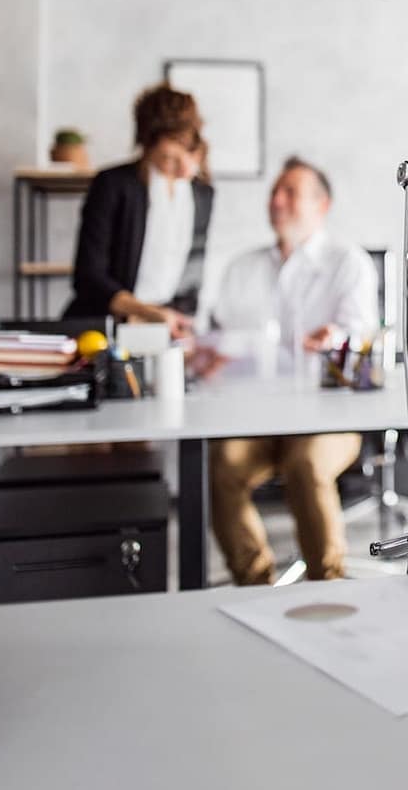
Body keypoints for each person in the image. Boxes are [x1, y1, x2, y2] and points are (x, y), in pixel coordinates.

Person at [205, 156, 379, 584]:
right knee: (223, 464)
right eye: (274, 192)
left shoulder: (347, 262)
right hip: (258, 417)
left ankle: (328, 582)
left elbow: (361, 337)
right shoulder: (242, 268)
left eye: (290, 193)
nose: (276, 201)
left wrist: (335, 339)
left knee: (307, 464)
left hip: (328, 419)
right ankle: (254, 581)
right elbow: (219, 336)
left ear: (322, 205)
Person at [65, 83, 214, 338]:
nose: (185, 168)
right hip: (108, 326)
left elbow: (192, 274)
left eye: (190, 154)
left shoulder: (203, 195)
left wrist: (183, 323)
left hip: (165, 327)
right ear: (146, 147)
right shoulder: (113, 185)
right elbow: (88, 277)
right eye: (169, 158)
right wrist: (145, 312)